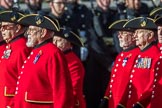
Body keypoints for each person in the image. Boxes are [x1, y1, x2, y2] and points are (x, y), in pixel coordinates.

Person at [13, 14, 74, 108]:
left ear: (43, 32)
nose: (27, 33)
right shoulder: (36, 51)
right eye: (28, 29)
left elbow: (61, 90)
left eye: (32, 30)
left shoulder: (53, 53)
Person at [118, 17, 160, 108]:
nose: (135, 36)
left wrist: (140, 104)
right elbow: (131, 82)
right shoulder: (140, 54)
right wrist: (122, 103)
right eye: (135, 32)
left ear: (150, 36)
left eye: (139, 32)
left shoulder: (156, 55)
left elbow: (153, 84)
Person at [99, 19, 140, 108]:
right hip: (114, 101)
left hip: (126, 102)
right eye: (119, 33)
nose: (119, 36)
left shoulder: (137, 55)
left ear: (133, 37)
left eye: (123, 33)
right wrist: (106, 98)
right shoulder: (120, 55)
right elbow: (112, 80)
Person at [0, 9, 31, 108]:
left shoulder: (22, 48)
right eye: (1, 26)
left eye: (5, 27)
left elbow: (24, 82)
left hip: (11, 102)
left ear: (17, 28)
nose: (2, 30)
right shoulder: (11, 45)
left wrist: (14, 104)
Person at [53, 27, 86, 108]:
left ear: (69, 44)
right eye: (54, 40)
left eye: (59, 41)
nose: (55, 43)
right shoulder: (57, 57)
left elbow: (73, 88)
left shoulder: (74, 62)